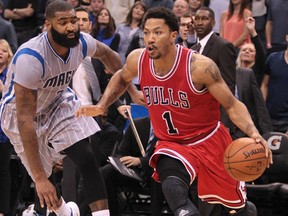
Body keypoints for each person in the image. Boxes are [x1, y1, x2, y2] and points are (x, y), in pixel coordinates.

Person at [76, 7, 273, 216]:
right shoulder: (138, 59)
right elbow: (122, 77)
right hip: (172, 143)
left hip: (208, 140)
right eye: (146, 32)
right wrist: (104, 104)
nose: (150, 38)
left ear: (173, 35)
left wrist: (253, 132)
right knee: (174, 191)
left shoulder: (198, 67)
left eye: (157, 32)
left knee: (239, 210)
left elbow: (232, 105)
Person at [0, 1, 141, 215]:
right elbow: (25, 120)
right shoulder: (31, 57)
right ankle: (65, 212)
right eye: (63, 22)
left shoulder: (82, 42)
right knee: (44, 181)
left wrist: (132, 92)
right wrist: (38, 178)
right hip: (19, 114)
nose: (71, 27)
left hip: (56, 101)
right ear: (48, 25)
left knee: (86, 156)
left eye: (73, 20)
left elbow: (109, 56)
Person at [101, 116, 164, 216]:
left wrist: (140, 161)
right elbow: (121, 153)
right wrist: (121, 161)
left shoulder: (170, 129)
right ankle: (112, 213)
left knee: (157, 173)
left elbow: (166, 158)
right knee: (106, 171)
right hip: (135, 174)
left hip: (157, 172)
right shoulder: (136, 124)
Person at [192, 7, 236, 137]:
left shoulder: (223, 46)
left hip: (217, 119)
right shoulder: (193, 49)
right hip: (197, 118)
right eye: (197, 19)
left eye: (204, 19)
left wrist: (225, 122)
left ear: (213, 23)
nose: (200, 22)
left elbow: (229, 85)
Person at [260, 34, 288, 135]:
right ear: (287, 37)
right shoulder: (273, 58)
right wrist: (263, 109)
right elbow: (264, 84)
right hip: (269, 118)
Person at [0, 39, 13, 216]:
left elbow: (13, 97)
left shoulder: (11, 74)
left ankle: (3, 210)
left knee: (2, 170)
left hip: (3, 128)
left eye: (3, 50)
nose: (0, 53)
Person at [236, 16, 266, 85]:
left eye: (251, 51)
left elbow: (260, 51)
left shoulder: (257, 69)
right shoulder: (234, 70)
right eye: (244, 50)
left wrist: (252, 30)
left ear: (255, 55)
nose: (247, 51)